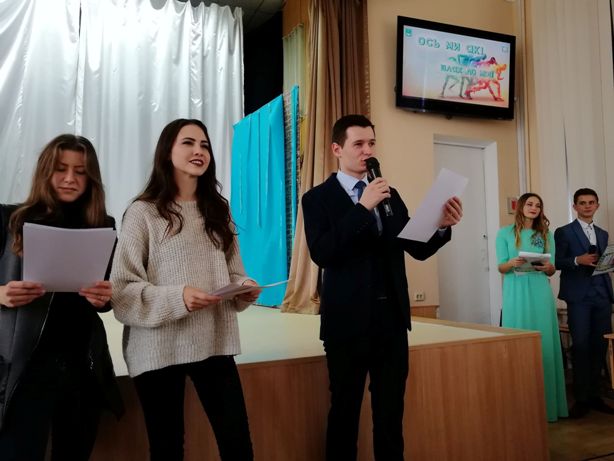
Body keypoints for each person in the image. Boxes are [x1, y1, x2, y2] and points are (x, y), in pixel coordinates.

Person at [301, 114, 462, 460]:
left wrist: (441, 226)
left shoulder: (390, 194)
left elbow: (416, 247)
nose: (367, 151)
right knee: (344, 412)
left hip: (391, 322)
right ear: (337, 149)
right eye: (358, 144)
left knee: (390, 415)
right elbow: (323, 253)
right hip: (347, 325)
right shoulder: (317, 199)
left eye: (371, 143)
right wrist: (362, 208)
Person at [111, 118, 260, 461]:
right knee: (167, 450)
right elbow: (122, 291)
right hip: (157, 349)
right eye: (188, 143)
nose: (199, 151)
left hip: (214, 342)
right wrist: (178, 297)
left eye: (204, 145)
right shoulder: (142, 212)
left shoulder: (218, 210)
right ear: (167, 152)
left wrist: (244, 287)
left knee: (238, 444)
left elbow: (234, 272)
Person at [0, 134, 124, 461]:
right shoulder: (10, 219)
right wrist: (1, 294)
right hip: (24, 368)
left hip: (82, 365)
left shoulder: (103, 225)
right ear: (45, 171)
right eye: (60, 169)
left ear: (91, 177)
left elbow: (107, 296)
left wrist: (105, 298)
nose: (70, 178)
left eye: (80, 171)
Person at [496, 192, 568, 421]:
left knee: (543, 340)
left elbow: (552, 268)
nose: (534, 208)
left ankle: (548, 406)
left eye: (538, 205)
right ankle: (518, 407)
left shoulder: (545, 234)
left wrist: (547, 267)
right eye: (529, 204)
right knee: (518, 340)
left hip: (539, 290)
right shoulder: (504, 233)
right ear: (520, 206)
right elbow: (501, 267)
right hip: (515, 290)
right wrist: (512, 262)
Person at [554, 188, 614, 418]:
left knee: (599, 346)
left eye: (591, 202)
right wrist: (577, 260)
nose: (587, 206)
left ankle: (595, 396)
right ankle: (581, 399)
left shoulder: (603, 233)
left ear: (597, 205)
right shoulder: (564, 232)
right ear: (575, 206)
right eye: (582, 202)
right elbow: (557, 261)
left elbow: (604, 263)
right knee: (580, 346)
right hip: (579, 297)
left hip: (602, 295)